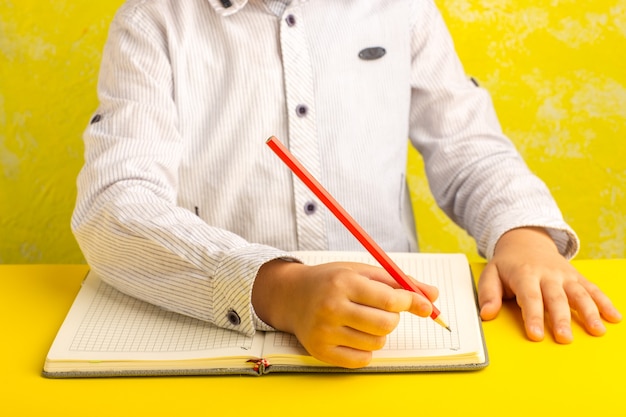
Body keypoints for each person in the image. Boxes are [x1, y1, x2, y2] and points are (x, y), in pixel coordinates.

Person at [72, 0, 621, 369]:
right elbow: (115, 205)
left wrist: (523, 234)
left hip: (394, 331)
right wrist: (277, 289)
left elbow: (468, 144)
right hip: (228, 342)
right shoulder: (152, 20)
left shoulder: (402, 8)